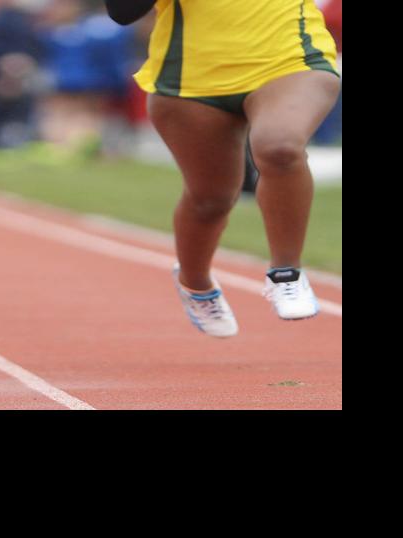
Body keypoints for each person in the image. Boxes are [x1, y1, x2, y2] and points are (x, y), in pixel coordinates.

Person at [106, 0, 339, 334]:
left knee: (280, 147)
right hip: (190, 78)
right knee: (210, 200)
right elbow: (122, 13)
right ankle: (195, 283)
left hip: (290, 59)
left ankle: (286, 273)